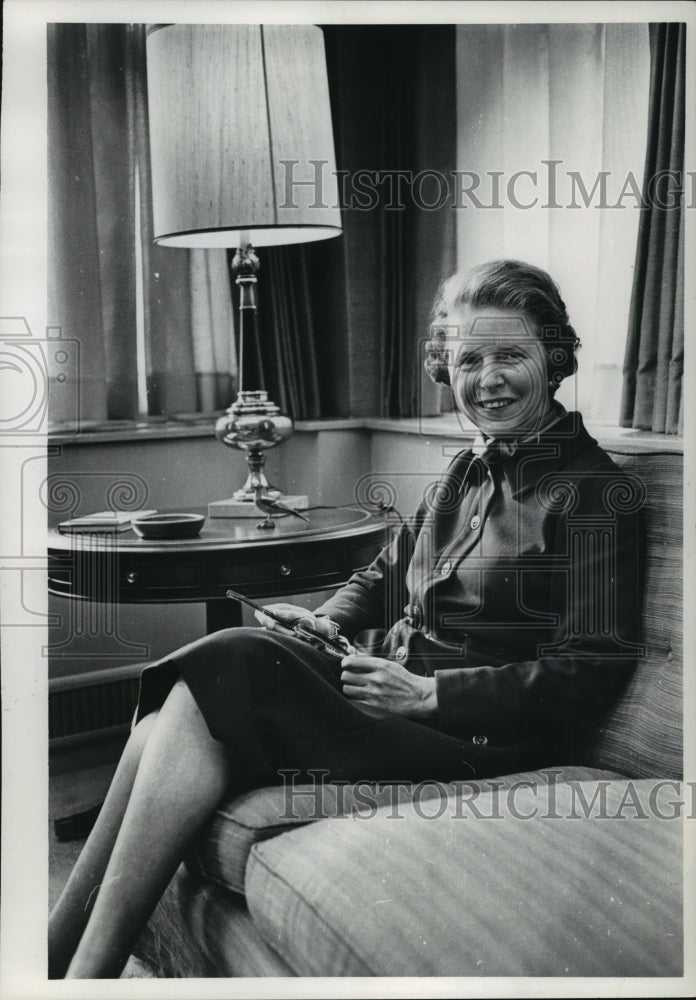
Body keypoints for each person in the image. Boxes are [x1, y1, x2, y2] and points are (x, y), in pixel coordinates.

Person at [49, 260, 643, 978]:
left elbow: (592, 668)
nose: (488, 378)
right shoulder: (465, 471)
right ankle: (67, 959)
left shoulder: (597, 494)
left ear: (553, 357)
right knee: (200, 684)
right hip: (387, 694)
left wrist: (429, 696)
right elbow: (385, 576)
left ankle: (80, 970)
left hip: (483, 738)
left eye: (510, 355)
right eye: (469, 360)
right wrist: (325, 618)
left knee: (225, 659)